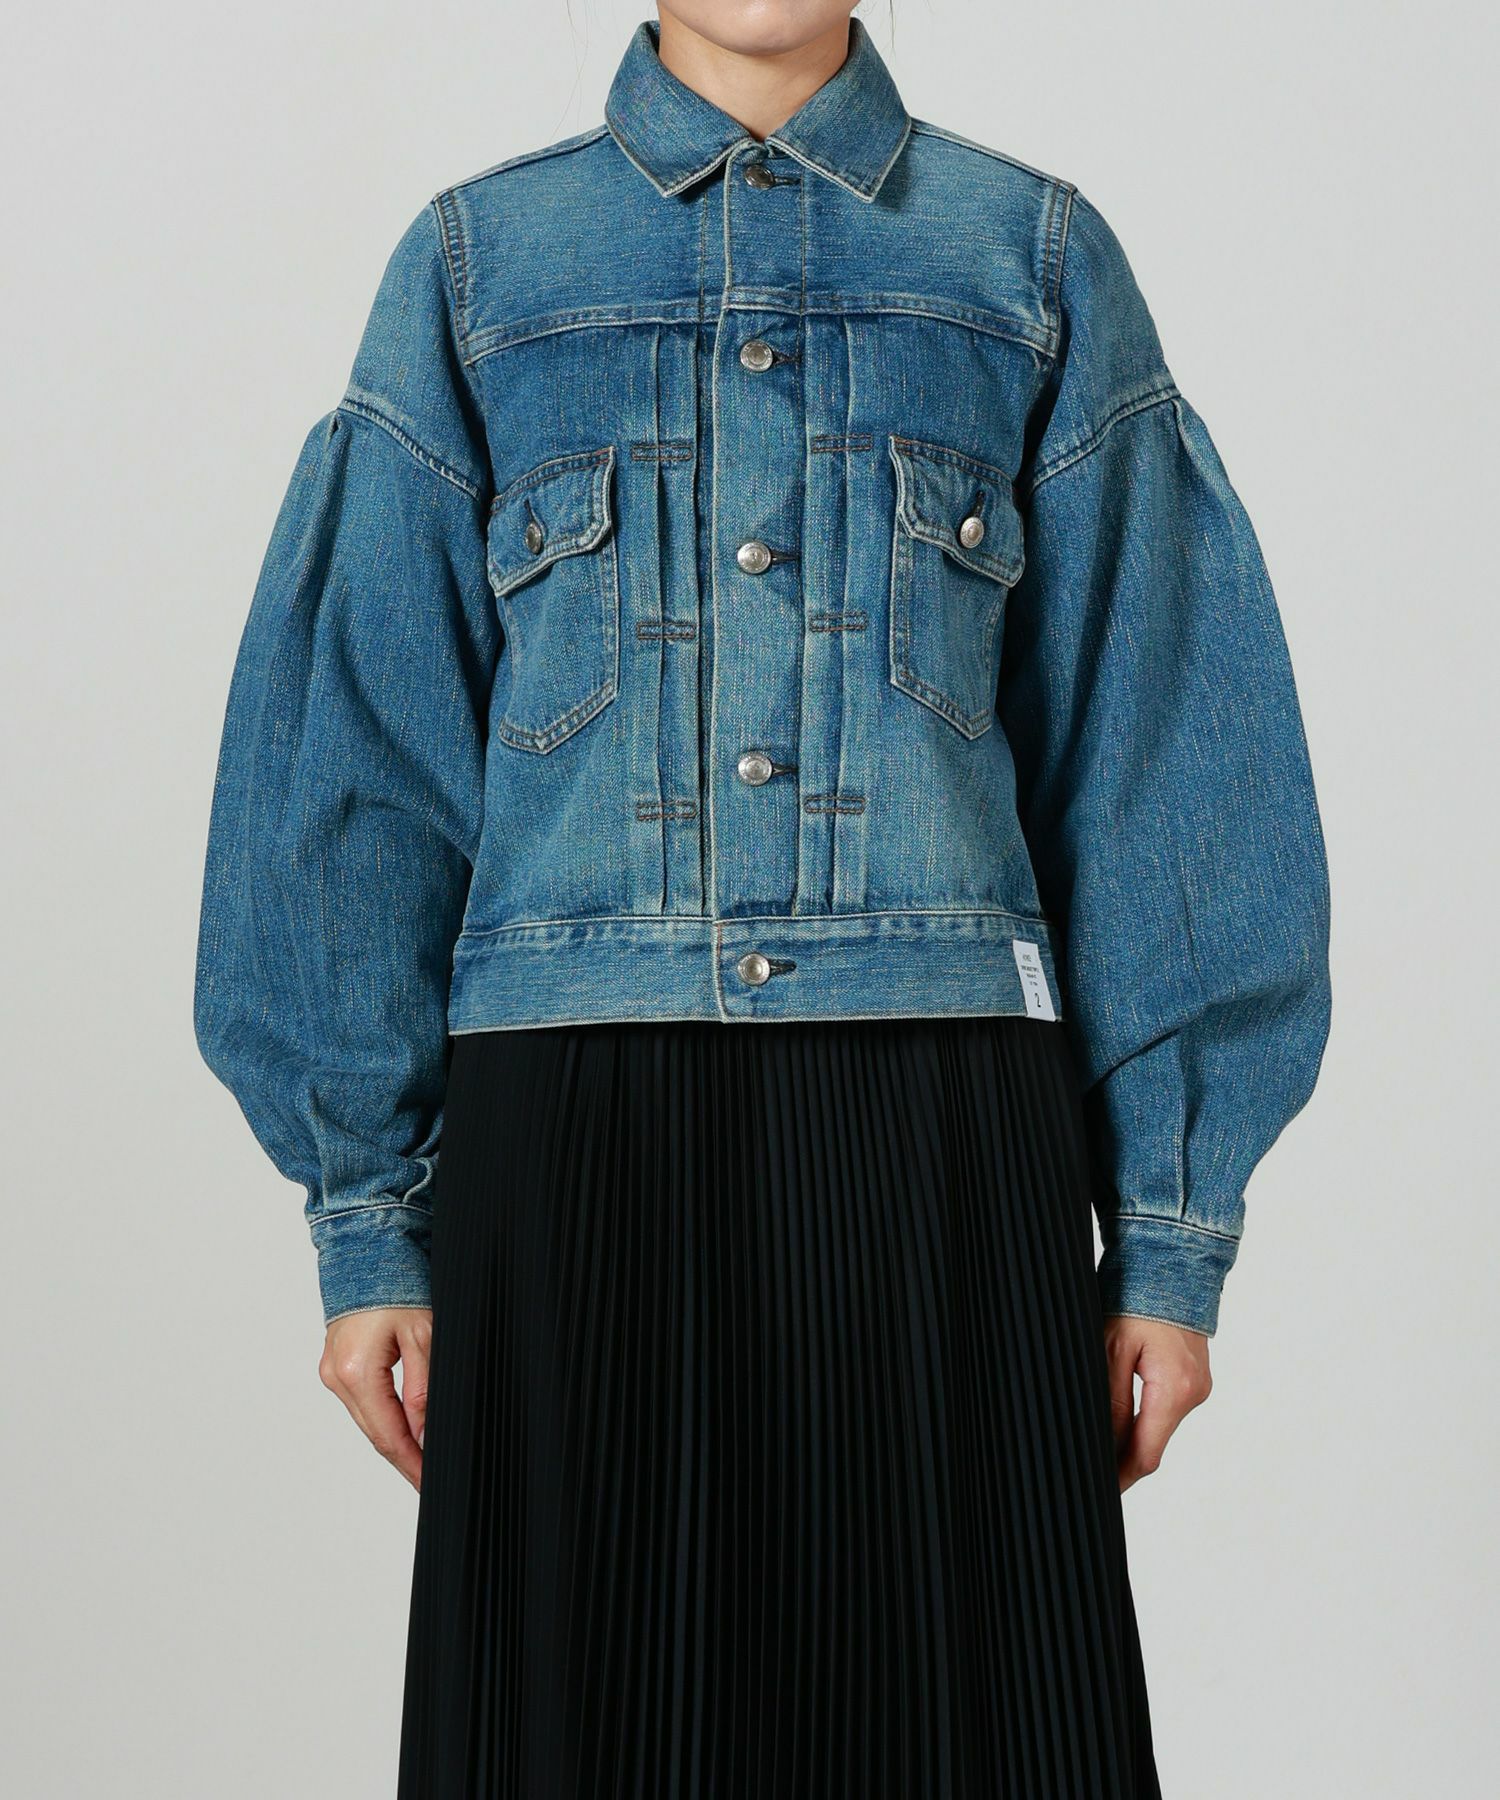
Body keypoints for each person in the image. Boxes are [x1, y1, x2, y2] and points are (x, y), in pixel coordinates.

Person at [193, 5, 1332, 1794]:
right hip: (574, 1139)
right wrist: (365, 1221)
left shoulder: (1030, 261)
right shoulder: (480, 271)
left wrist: (1173, 1237)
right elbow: (356, 754)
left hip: (940, 1137)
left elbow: (1163, 743)